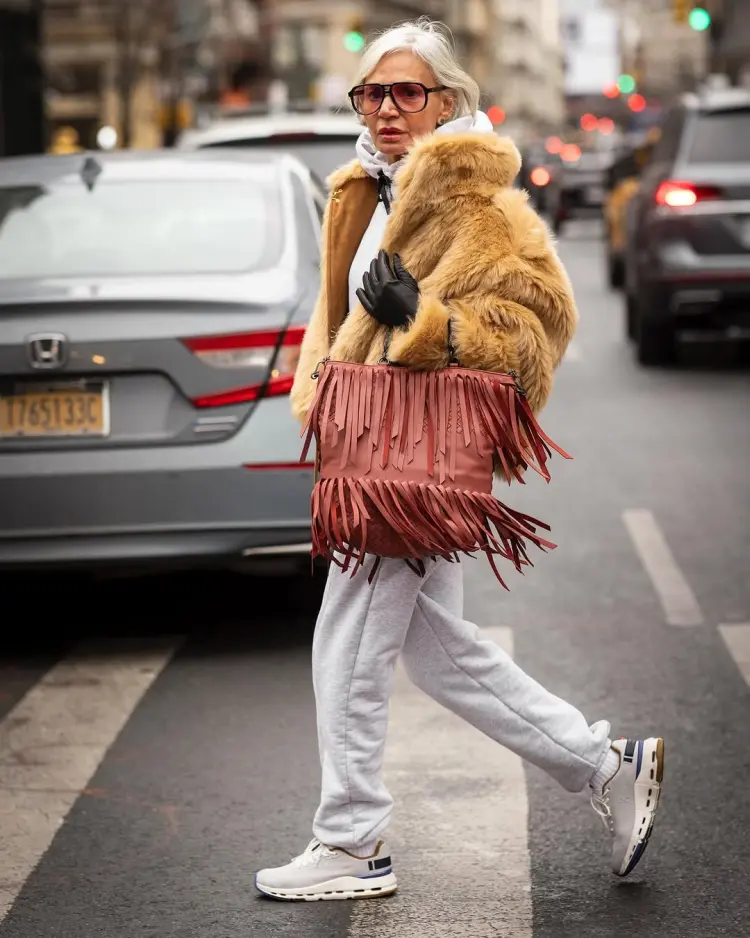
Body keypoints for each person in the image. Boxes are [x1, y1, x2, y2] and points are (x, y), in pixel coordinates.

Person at [255, 18, 664, 902]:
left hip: (414, 456)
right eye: (374, 92)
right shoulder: (364, 189)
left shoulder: (474, 201)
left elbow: (539, 327)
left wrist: (427, 324)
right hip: (371, 446)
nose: (389, 108)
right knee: (440, 655)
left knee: (347, 646)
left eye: (410, 92)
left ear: (451, 102)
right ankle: (607, 765)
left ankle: (352, 840)